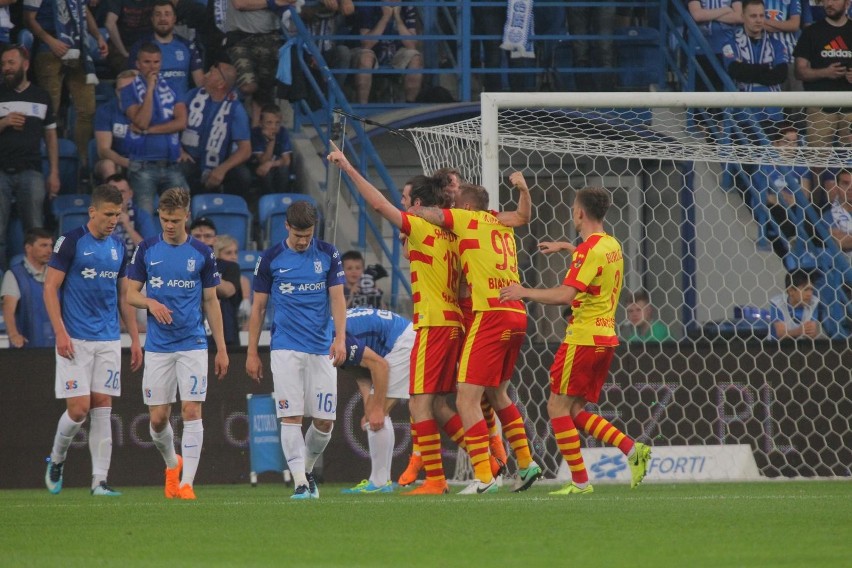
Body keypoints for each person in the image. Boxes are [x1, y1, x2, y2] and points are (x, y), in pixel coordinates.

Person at [499, 187, 652, 495]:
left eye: (573, 208)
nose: (572, 213)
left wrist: (524, 292)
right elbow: (593, 263)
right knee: (572, 412)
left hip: (582, 338)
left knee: (556, 406)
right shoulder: (611, 244)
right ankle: (632, 449)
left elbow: (566, 295)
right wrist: (568, 247)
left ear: (580, 212)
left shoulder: (588, 251)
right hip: (606, 338)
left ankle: (581, 482)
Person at [406, 179, 541, 495]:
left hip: (490, 314)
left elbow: (436, 217)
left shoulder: (466, 218)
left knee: (466, 397)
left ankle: (484, 476)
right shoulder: (497, 220)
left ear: (466, 207)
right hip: (517, 313)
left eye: (455, 203)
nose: (451, 209)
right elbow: (522, 217)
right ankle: (526, 463)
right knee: (498, 394)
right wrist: (523, 190)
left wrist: (412, 211)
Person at [125, 187, 228, 499]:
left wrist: (221, 347)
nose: (169, 225)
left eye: (175, 219)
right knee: (157, 420)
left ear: (187, 217)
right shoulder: (146, 250)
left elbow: (211, 300)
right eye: (164, 219)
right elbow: (130, 294)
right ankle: (173, 463)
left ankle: (187, 484)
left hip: (193, 343)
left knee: (192, 410)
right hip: (158, 346)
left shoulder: (202, 253)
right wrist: (150, 304)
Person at [43, 184, 143, 496]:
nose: (113, 220)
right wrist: (60, 331)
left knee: (103, 407)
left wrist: (135, 339)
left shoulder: (117, 248)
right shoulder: (70, 242)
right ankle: (57, 457)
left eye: (118, 214)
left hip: (109, 339)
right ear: (93, 212)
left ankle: (99, 480)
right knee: (78, 409)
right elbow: (50, 288)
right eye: (108, 214)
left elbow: (125, 296)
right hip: (75, 339)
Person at [245, 200, 347, 500]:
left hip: (321, 347)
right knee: (291, 417)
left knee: (325, 421)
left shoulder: (329, 254)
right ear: (287, 227)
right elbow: (259, 307)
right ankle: (301, 483)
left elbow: (338, 298)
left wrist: (340, 338)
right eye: (298, 235)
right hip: (285, 348)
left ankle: (307, 469)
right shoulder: (271, 259)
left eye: (308, 235)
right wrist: (252, 351)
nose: (303, 241)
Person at [23, 0, 108, 170]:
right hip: (49, 48)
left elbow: (84, 11)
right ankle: (44, 160)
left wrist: (97, 36)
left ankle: (82, 161)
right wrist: (51, 41)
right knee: (49, 112)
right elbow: (28, 18)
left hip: (79, 47)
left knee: (87, 109)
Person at [339, 306, 414, 494]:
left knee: (377, 415)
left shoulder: (333, 339)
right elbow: (361, 373)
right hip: (401, 337)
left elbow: (380, 366)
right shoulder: (332, 332)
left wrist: (377, 408)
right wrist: (369, 407)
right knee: (372, 415)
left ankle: (380, 483)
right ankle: (380, 481)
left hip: (402, 342)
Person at [0, 44, 60, 270]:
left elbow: (51, 137)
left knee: (35, 230)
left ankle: (36, 281)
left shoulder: (41, 96)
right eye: (4, 64)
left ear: (25, 65)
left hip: (31, 171)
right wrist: (4, 123)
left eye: (11, 63)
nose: (6, 68)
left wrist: (54, 172)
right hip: (1, 171)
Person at [121, 42, 189, 215]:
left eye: (156, 62)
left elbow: (181, 122)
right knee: (144, 217)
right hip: (143, 167)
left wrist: (148, 131)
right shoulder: (128, 90)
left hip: (172, 164)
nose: (152, 66)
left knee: (181, 218)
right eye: (147, 62)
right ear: (137, 64)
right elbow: (142, 121)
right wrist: (150, 89)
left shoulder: (173, 87)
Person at [178, 60, 252, 196]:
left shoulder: (236, 109)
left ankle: (232, 211)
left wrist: (222, 169)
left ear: (220, 84)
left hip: (219, 161)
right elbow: (172, 122)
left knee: (243, 176)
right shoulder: (192, 94)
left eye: (211, 73)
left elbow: (245, 150)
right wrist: (179, 149)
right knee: (176, 171)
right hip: (189, 157)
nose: (205, 75)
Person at [793, 0, 852, 149]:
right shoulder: (811, 32)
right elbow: (799, 71)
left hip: (850, 106)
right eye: (826, 0)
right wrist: (826, 72)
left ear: (847, 3)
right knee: (818, 162)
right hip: (819, 107)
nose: (829, 3)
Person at [721, 0, 788, 123]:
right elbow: (736, 71)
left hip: (774, 114)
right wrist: (766, 69)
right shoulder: (730, 44)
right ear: (742, 17)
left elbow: (781, 75)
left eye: (761, 16)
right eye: (753, 16)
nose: (758, 20)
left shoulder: (776, 44)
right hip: (744, 117)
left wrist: (749, 70)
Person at [127, 0, 203, 100]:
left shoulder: (188, 46)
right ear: (152, 19)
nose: (163, 18)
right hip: (153, 106)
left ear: (174, 19)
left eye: (167, 14)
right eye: (158, 15)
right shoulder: (139, 47)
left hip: (184, 106)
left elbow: (200, 83)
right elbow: (132, 82)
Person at [354, 0, 422, 103]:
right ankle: (362, 107)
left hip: (396, 52)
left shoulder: (407, 6)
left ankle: (409, 106)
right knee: (365, 58)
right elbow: (366, 44)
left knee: (415, 58)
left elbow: (411, 45)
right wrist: (385, 18)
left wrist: (398, 19)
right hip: (372, 51)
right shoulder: (368, 5)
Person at [189, 217, 242, 346]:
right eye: (197, 236)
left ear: (215, 239)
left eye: (207, 236)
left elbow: (228, 290)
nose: (202, 240)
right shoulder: (180, 265)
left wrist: (202, 268)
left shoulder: (229, 266)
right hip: (191, 335)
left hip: (226, 336)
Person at [1, 228, 55, 348]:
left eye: (51, 246)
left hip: (56, 347)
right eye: (43, 245)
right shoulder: (14, 275)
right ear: (28, 248)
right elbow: (8, 309)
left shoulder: (56, 274)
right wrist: (14, 335)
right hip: (27, 349)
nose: (49, 250)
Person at [687, 0, 743, 91]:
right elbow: (697, 15)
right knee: (701, 90)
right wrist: (725, 10)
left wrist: (708, 15)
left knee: (726, 87)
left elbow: (739, 17)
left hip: (728, 46)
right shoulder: (726, 9)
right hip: (700, 48)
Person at [94, 70, 139, 174]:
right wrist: (125, 162)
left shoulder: (153, 108)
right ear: (116, 91)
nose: (124, 94)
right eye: (121, 90)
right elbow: (103, 150)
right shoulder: (105, 110)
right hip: (118, 159)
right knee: (107, 165)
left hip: (147, 159)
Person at [106, 173, 158, 261]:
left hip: (134, 269)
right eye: (113, 192)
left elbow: (151, 252)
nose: (118, 196)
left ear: (130, 194)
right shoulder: (98, 216)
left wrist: (128, 226)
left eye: (122, 192)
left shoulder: (141, 215)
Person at [768, 269, 827, 339]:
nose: (809, 294)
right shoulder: (778, 303)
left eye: (811, 289)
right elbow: (781, 333)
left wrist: (812, 332)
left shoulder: (813, 302)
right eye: (805, 289)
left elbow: (813, 333)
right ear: (791, 291)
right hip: (776, 347)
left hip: (803, 346)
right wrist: (799, 331)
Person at [250, 104, 293, 195]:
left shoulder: (282, 132)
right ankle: (268, 200)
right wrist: (271, 140)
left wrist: (270, 164)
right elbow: (263, 161)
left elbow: (286, 160)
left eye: (277, 123)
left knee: (283, 170)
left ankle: (281, 199)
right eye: (269, 123)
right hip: (258, 167)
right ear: (261, 123)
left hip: (274, 166)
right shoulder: (255, 133)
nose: (273, 127)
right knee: (266, 173)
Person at [214, 234, 247, 345]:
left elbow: (228, 291)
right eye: (228, 253)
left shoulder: (237, 274)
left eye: (236, 252)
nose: (234, 257)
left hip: (229, 330)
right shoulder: (227, 267)